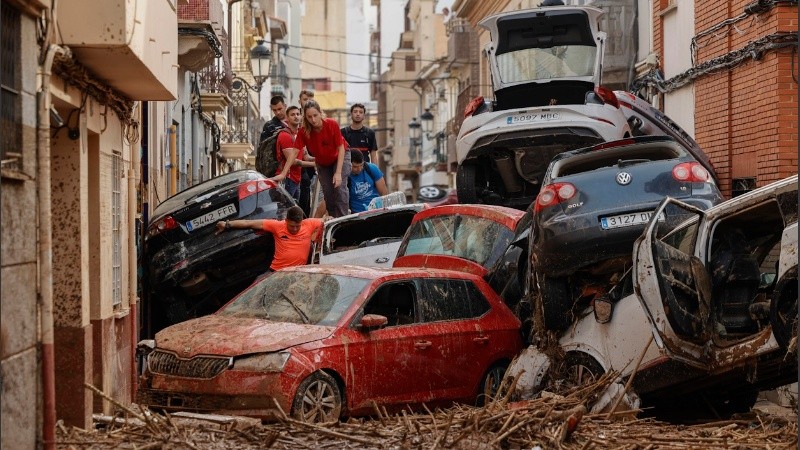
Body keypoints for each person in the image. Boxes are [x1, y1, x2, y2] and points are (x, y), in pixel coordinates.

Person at [215, 206, 322, 272]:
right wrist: (227, 224)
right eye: (291, 226)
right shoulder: (277, 226)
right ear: (286, 221)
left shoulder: (309, 224)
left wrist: (328, 218)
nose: (295, 229)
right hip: (276, 271)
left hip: (297, 272)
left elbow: (327, 221)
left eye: (297, 226)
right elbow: (250, 223)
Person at [292, 100, 351, 218]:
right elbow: (294, 152)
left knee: (339, 187)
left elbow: (341, 148)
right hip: (323, 163)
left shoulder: (331, 124)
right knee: (328, 192)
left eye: (315, 115)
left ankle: (343, 218)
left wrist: (338, 173)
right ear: (305, 117)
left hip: (340, 155)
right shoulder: (304, 131)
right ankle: (334, 219)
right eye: (309, 116)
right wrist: (283, 173)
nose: (313, 119)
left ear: (320, 113)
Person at [269, 106, 304, 201]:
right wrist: (314, 164)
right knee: (284, 210)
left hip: (296, 179)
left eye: (298, 114)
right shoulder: (285, 135)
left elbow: (306, 156)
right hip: (287, 179)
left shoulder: (299, 135)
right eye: (292, 115)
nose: (296, 117)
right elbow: (293, 161)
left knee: (294, 211)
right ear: (287, 118)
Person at [297, 90, 316, 217]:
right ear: (300, 101)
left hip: (313, 163)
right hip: (299, 162)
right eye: (305, 99)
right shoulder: (296, 115)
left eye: (310, 99)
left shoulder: (316, 117)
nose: (308, 101)